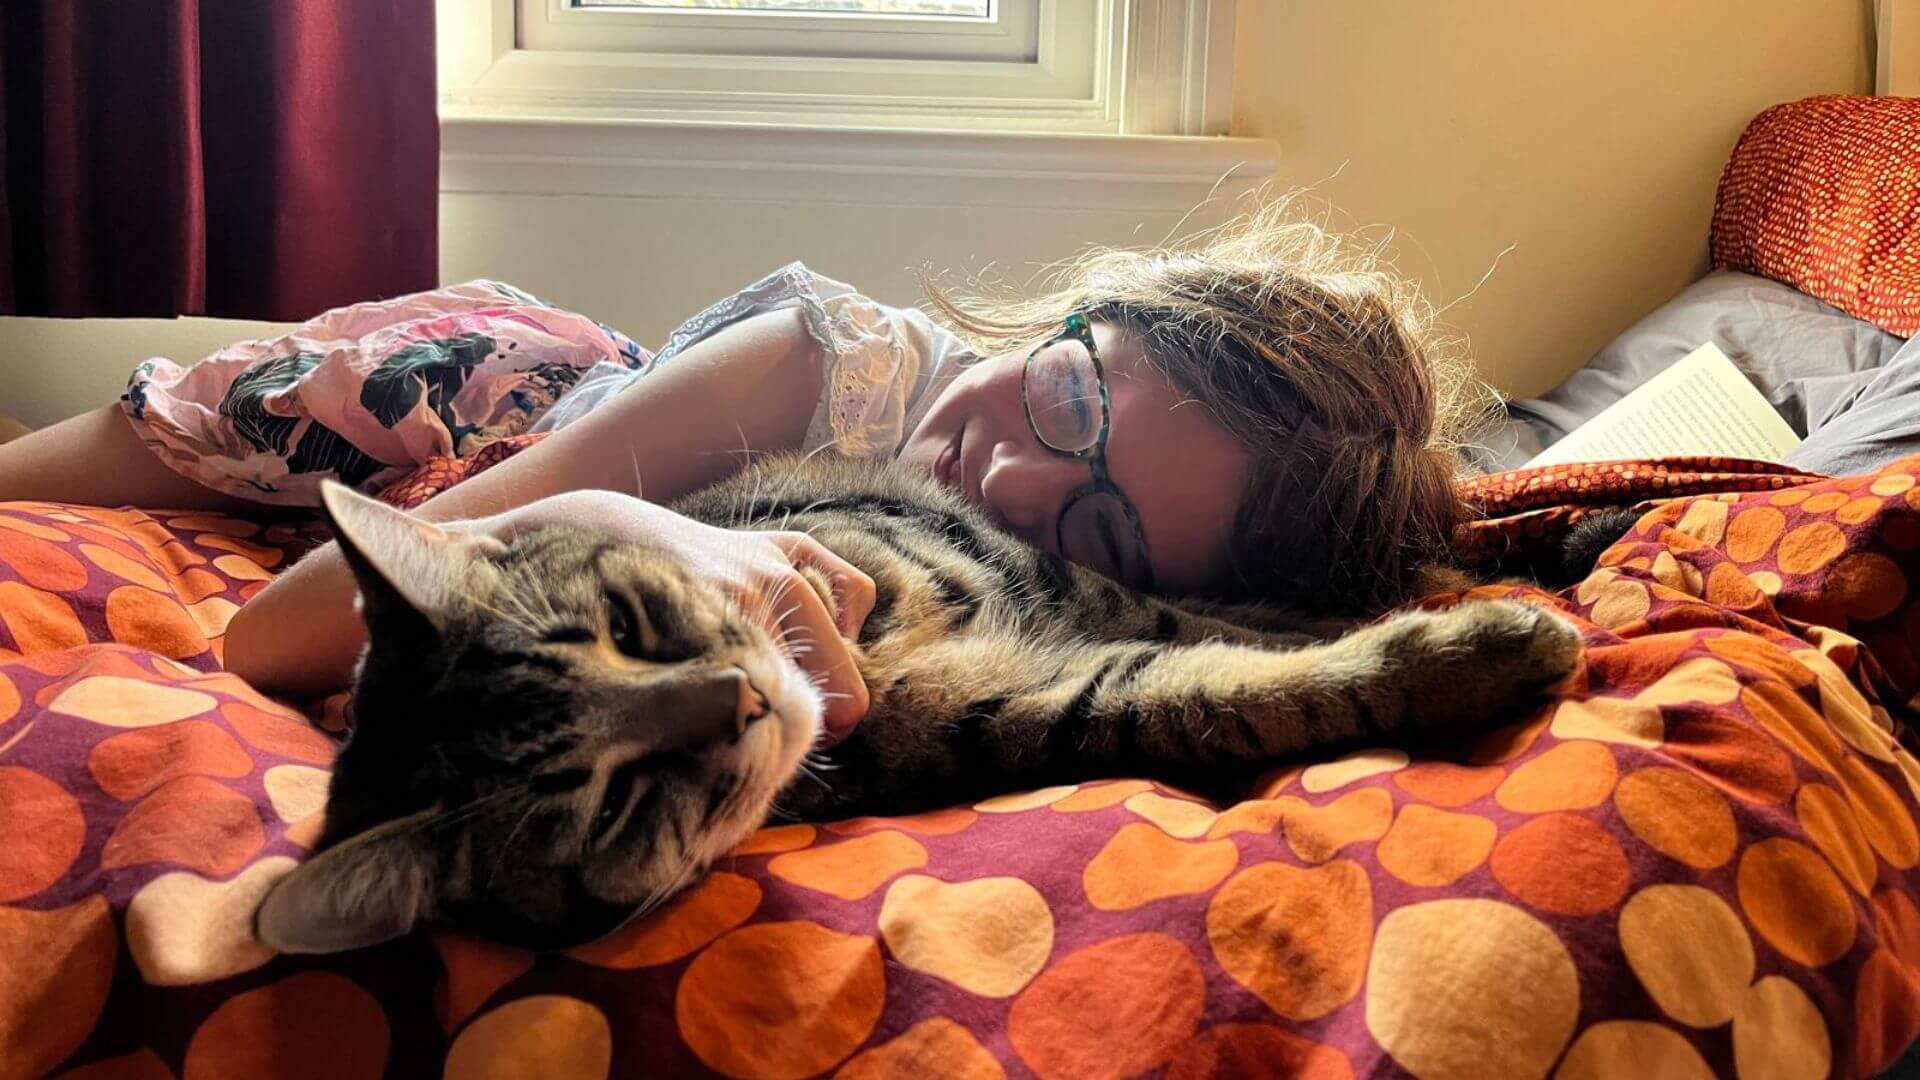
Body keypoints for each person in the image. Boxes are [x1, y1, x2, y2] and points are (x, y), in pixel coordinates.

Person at [0, 200, 1487, 741]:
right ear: (1084, 313)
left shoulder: (1017, 573)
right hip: (458, 403)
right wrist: (629, 519)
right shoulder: (820, 368)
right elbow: (269, 637)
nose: (1021, 473)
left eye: (1105, 524)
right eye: (1070, 398)